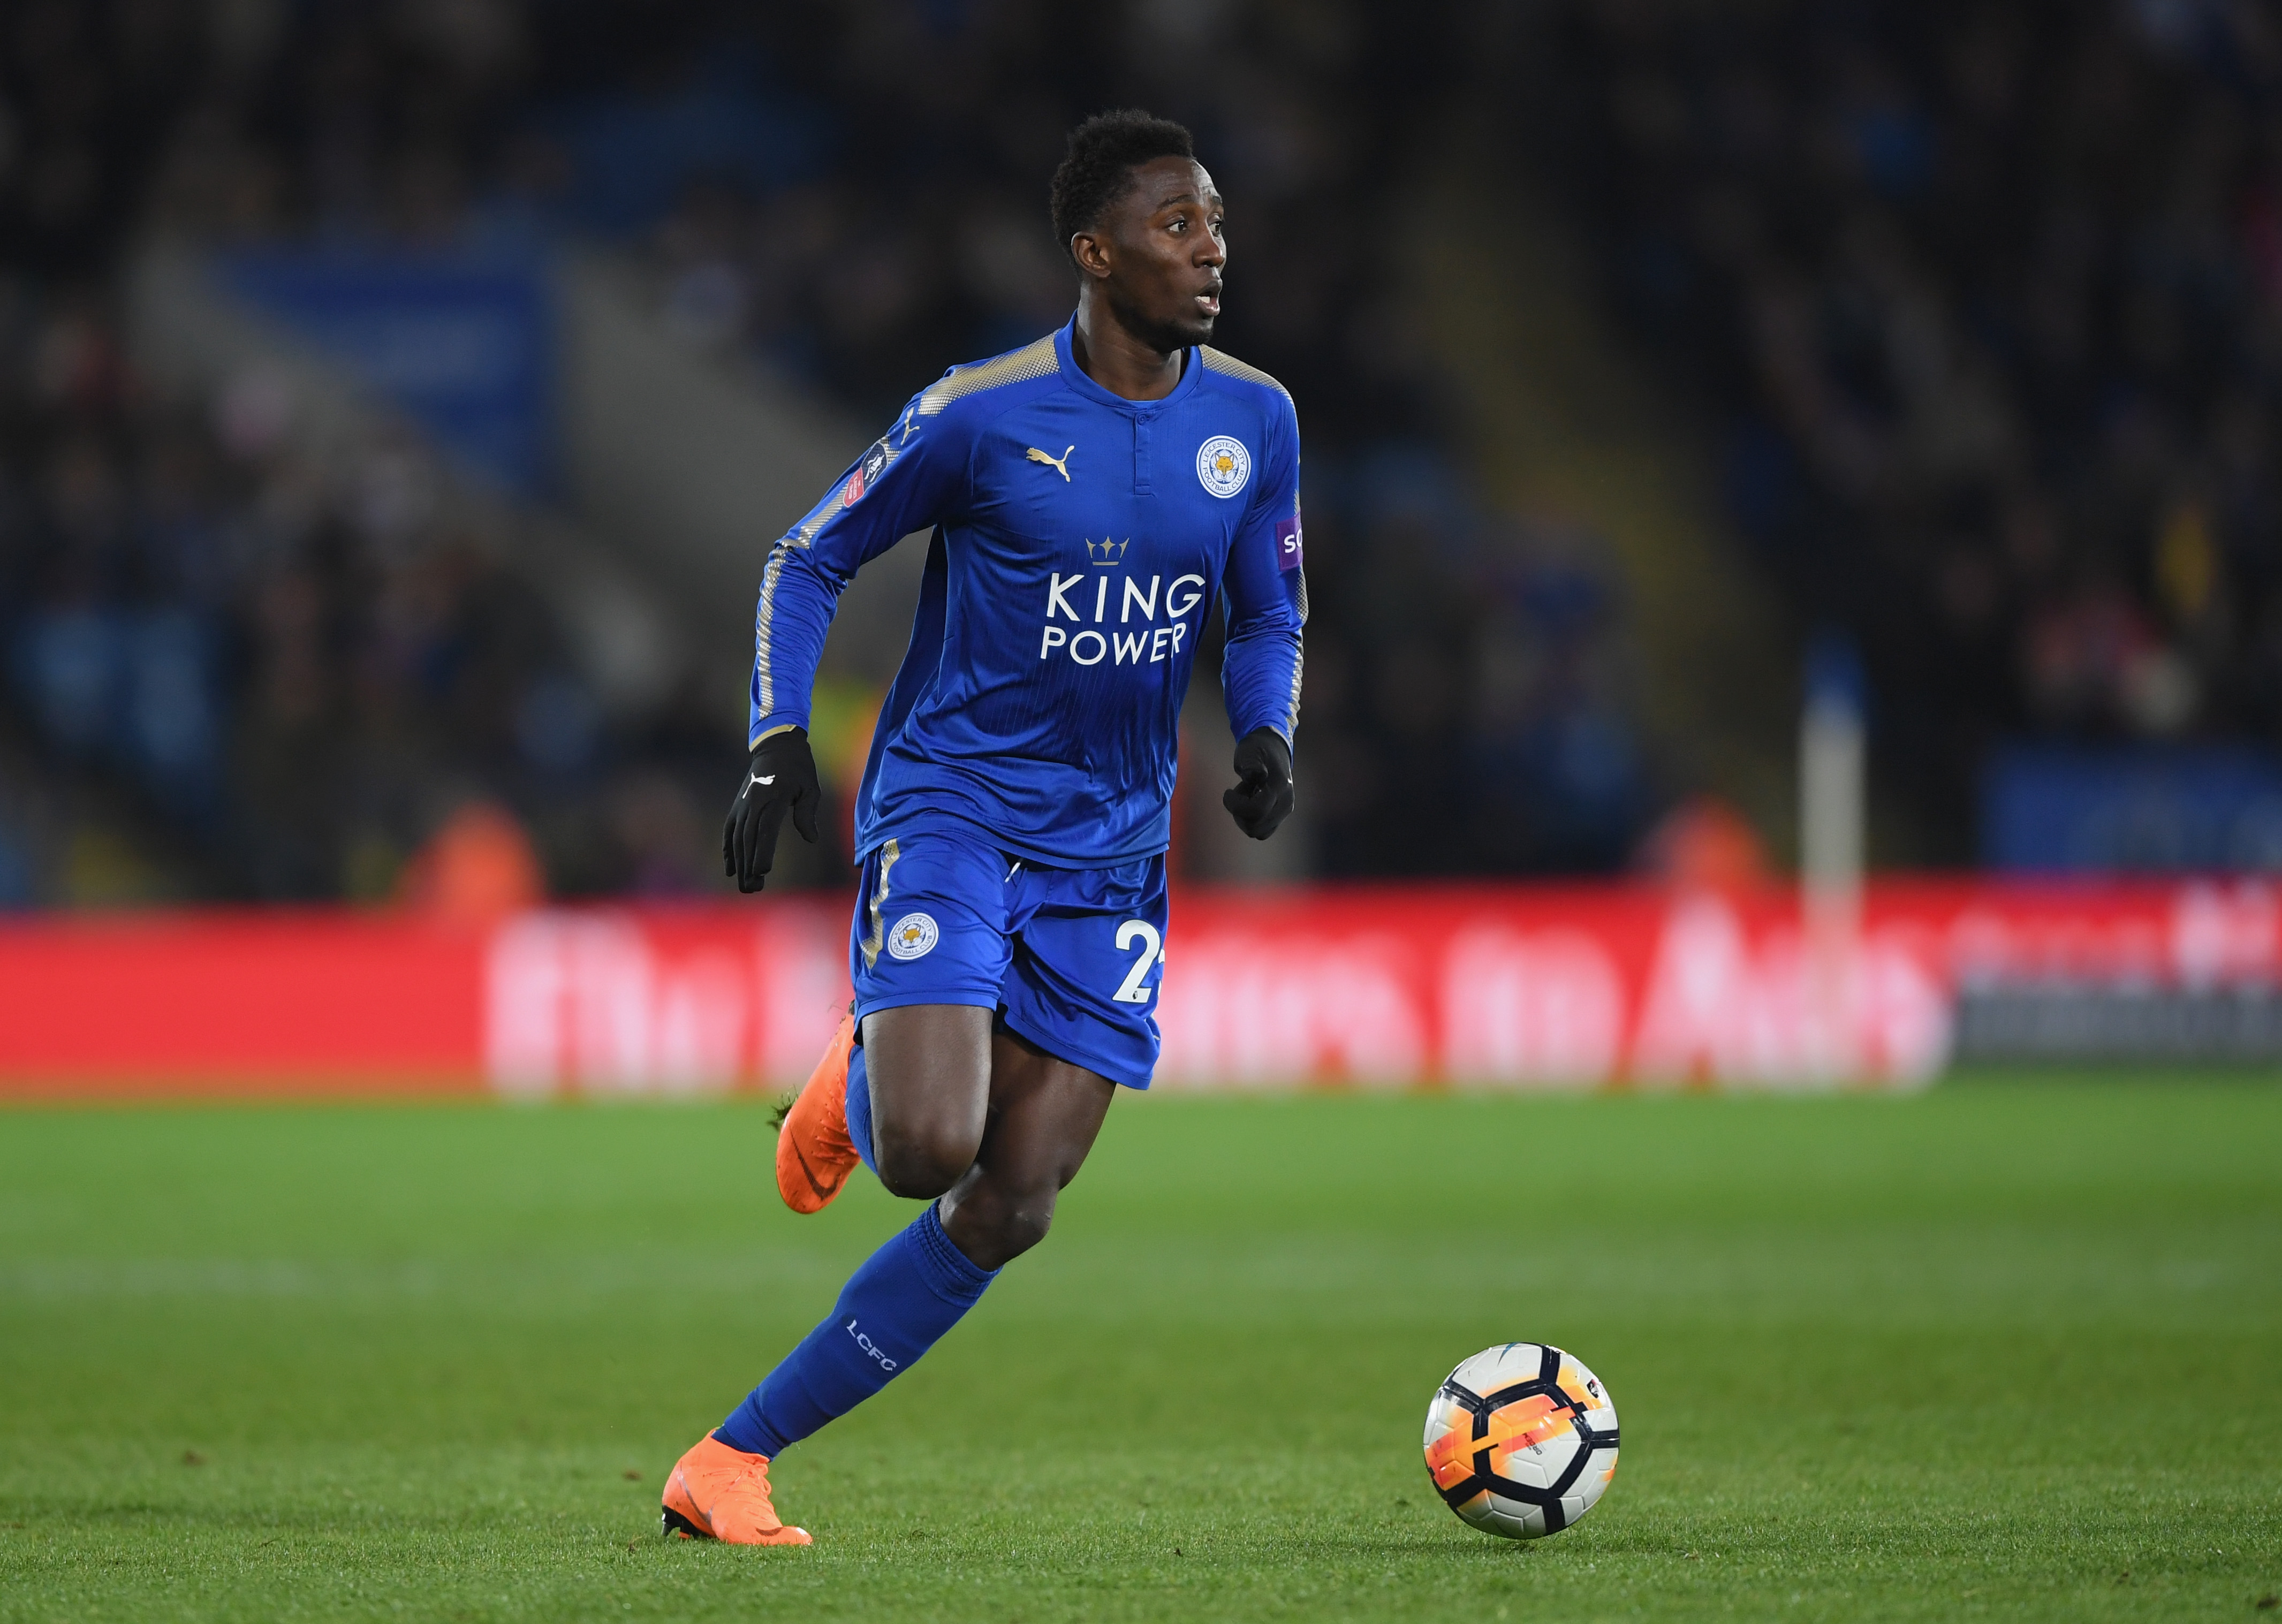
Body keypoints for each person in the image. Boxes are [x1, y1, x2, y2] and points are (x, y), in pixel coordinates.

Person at [658, 109, 1305, 1546]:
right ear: (1095, 252)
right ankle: (867, 1071)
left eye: (1215, 223)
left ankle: (729, 1459)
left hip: (1113, 850)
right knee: (926, 1147)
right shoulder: (981, 413)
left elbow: (1270, 608)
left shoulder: (1254, 419)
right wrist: (774, 737)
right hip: (952, 805)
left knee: (1017, 1201)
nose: (1212, 251)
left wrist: (1267, 729)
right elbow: (807, 555)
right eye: (1177, 226)